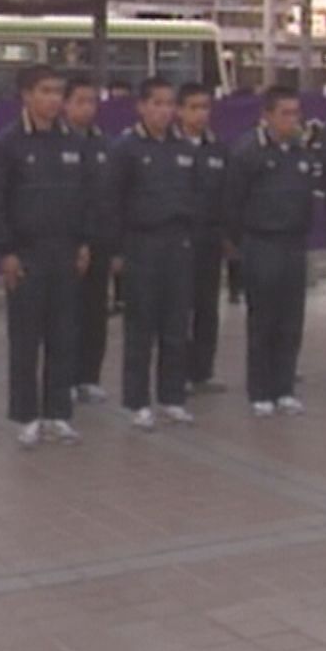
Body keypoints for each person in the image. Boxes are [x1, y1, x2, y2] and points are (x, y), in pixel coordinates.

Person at [0, 65, 97, 446]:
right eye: (46, 91)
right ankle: (26, 416)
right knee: (25, 338)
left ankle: (58, 413)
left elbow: (85, 197)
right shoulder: (7, 143)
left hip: (66, 252)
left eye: (58, 92)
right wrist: (7, 251)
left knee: (64, 335)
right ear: (26, 95)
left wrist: (83, 243)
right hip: (27, 254)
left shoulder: (73, 142)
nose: (54, 99)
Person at [107, 78, 200, 430]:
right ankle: (137, 401)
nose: (164, 110)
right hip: (141, 244)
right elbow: (111, 202)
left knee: (176, 326)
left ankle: (172, 397)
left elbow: (195, 194)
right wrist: (117, 251)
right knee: (140, 327)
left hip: (177, 244)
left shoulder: (183, 148)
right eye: (157, 103)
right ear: (141, 106)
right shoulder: (126, 149)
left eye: (169, 103)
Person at [227, 86, 317, 416]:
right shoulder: (248, 151)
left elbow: (307, 197)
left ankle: (285, 388)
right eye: (285, 113)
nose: (292, 120)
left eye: (296, 113)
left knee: (291, 319)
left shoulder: (300, 150)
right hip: (261, 242)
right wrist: (240, 242)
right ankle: (260, 390)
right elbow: (233, 201)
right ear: (267, 115)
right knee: (263, 319)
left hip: (293, 243)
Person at [177, 81, 230, 394]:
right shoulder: (169, 147)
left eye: (205, 107)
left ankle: (203, 371)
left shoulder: (218, 149)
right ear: (180, 111)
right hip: (178, 241)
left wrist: (226, 233)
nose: (200, 114)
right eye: (194, 107)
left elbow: (227, 195)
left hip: (209, 241)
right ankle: (178, 372)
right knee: (178, 309)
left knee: (207, 307)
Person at [63, 79, 114, 405]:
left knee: (96, 310)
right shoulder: (56, 142)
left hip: (100, 240)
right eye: (80, 101)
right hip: (66, 242)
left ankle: (89, 377)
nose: (87, 108)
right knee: (66, 313)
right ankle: (64, 377)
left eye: (92, 101)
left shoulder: (105, 145)